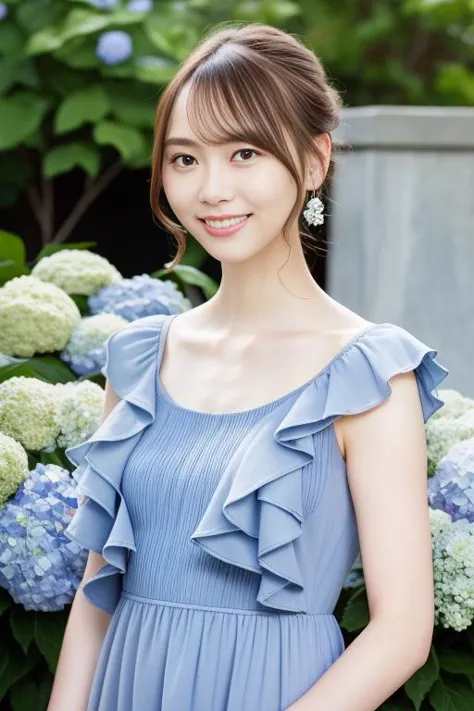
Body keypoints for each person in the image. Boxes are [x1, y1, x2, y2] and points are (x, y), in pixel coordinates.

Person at [48, 22, 449, 711]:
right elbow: (96, 600)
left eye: (243, 152)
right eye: (184, 159)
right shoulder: (139, 358)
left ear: (315, 159)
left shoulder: (369, 372)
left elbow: (403, 629)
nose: (210, 189)